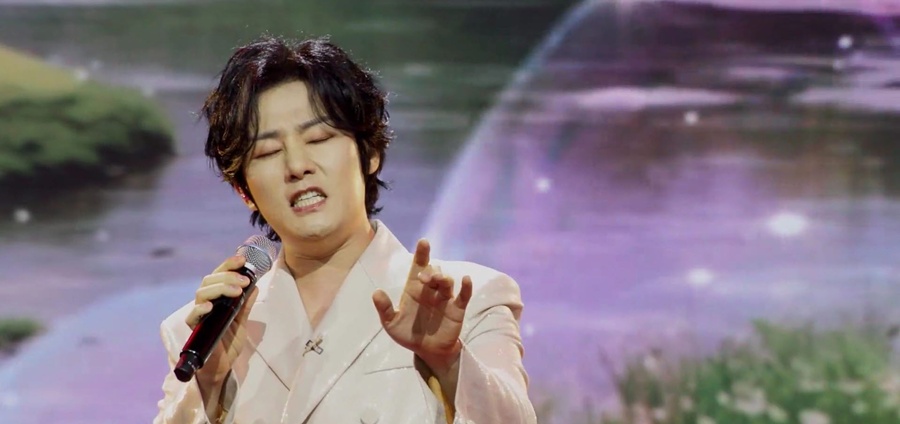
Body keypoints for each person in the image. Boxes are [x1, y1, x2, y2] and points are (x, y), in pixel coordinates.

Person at [152, 36, 536, 424]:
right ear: (244, 191)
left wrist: (449, 361)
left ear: (370, 153)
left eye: (318, 138)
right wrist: (210, 383)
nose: (297, 166)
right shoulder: (201, 335)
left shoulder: (469, 299)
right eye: (268, 152)